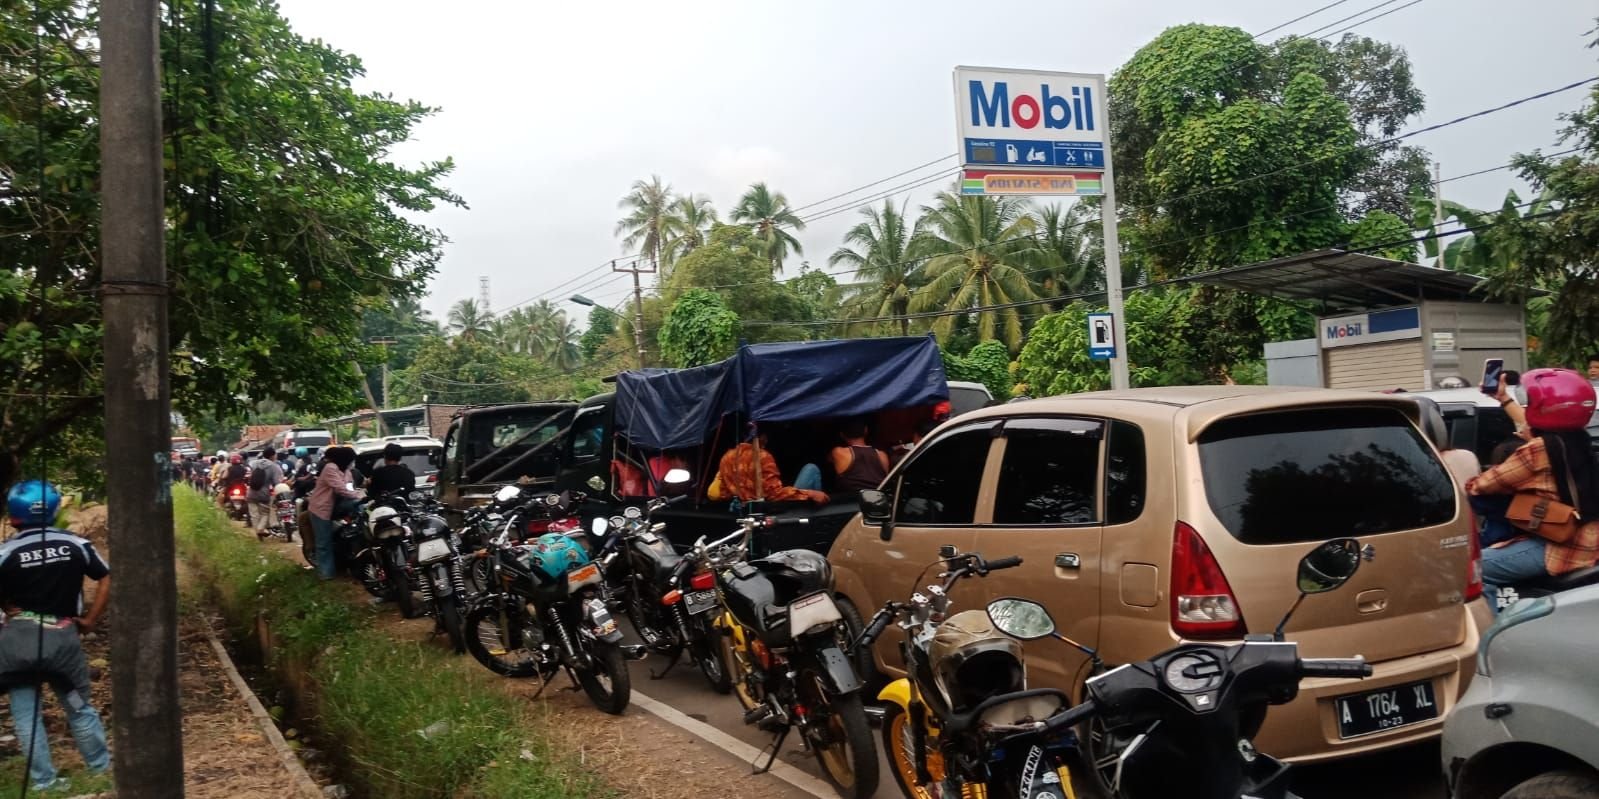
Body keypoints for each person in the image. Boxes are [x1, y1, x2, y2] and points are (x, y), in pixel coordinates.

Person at [0, 481, 111, 793]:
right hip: (63, 644)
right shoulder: (76, 545)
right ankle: (101, 769)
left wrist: (6, 607)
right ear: (53, 510)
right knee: (78, 707)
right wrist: (90, 619)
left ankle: (44, 782)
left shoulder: (6, 552)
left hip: (18, 646)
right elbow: (105, 576)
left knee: (25, 714)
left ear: (13, 516)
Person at [1467, 369, 1599, 612]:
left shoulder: (1537, 450)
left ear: (1545, 407)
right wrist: (1504, 399)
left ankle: (1494, 640)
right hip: (1588, 539)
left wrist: (1465, 479)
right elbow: (1536, 433)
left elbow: (1484, 484)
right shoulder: (1577, 439)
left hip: (1561, 546)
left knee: (1474, 569)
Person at [716, 429, 828, 505]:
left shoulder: (726, 457)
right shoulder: (762, 456)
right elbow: (773, 494)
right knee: (811, 468)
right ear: (763, 437)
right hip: (770, 511)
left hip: (743, 512)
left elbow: (724, 493)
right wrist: (809, 494)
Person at [308, 446, 365, 579]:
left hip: (337, 506)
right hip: (321, 508)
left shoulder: (346, 471)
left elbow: (349, 487)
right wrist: (359, 495)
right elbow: (341, 489)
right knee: (324, 543)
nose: (352, 463)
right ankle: (326, 574)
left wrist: (358, 496)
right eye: (351, 460)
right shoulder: (330, 468)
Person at [830, 418, 891, 494]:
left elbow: (829, 460)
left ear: (842, 435)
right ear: (866, 430)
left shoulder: (838, 452)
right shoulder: (882, 455)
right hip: (877, 499)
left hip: (851, 501)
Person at [248, 447, 285, 540]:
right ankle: (260, 529)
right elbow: (277, 483)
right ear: (273, 456)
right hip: (263, 494)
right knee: (265, 513)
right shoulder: (274, 466)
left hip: (251, 492)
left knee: (254, 514)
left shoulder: (254, 463)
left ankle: (258, 532)